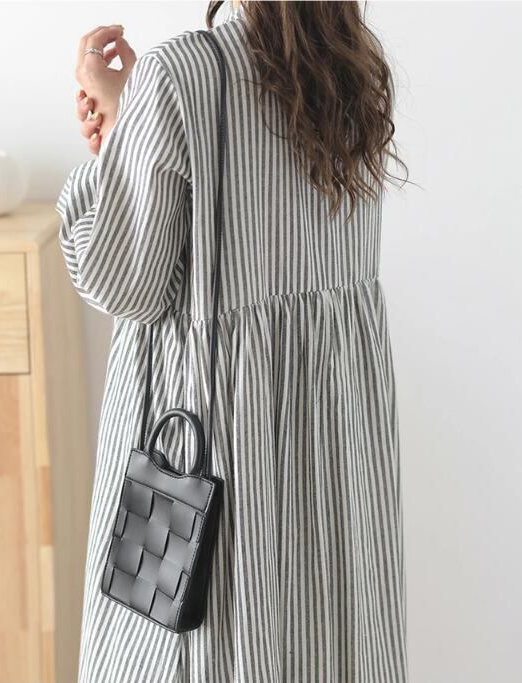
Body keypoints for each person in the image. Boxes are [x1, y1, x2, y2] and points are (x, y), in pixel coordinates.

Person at [55, 1, 409, 681]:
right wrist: (138, 128)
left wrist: (118, 144)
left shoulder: (179, 73)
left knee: (200, 644)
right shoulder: (352, 65)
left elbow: (123, 282)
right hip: (332, 442)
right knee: (321, 638)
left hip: (218, 443)